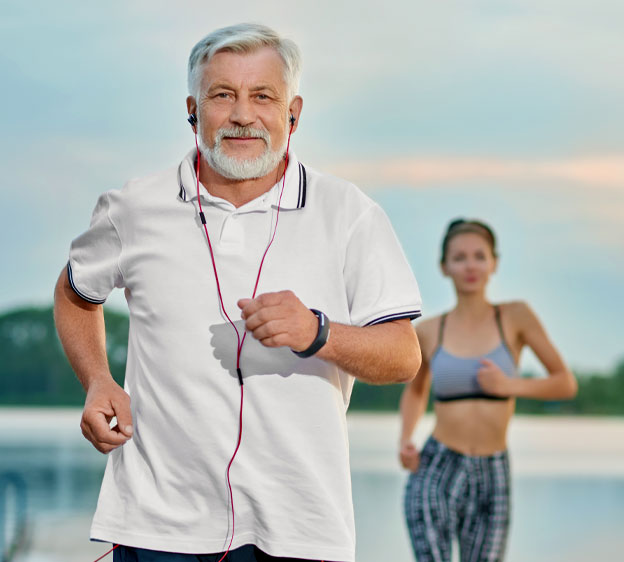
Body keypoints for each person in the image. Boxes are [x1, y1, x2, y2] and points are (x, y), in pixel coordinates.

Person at [54, 23, 423, 562]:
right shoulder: (131, 207)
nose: (243, 114)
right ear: (192, 109)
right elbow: (74, 292)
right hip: (158, 526)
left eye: (262, 96)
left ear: (292, 113)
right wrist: (96, 379)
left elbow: (404, 356)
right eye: (222, 95)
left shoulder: (349, 213)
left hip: (304, 527)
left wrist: (318, 332)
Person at [399, 219, 577, 562]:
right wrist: (405, 438)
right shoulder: (429, 330)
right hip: (438, 465)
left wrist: (509, 385)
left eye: (479, 256)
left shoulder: (515, 316)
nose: (470, 265)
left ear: (494, 263)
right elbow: (416, 392)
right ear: (444, 267)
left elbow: (565, 383)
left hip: (493, 471)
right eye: (459, 257)